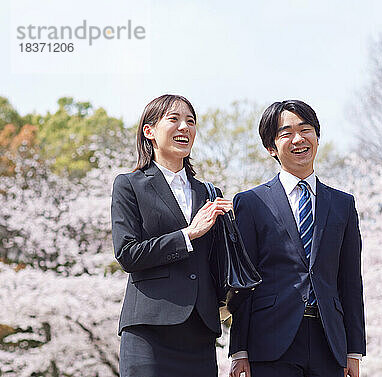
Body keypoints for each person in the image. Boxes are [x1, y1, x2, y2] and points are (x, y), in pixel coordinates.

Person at [229, 100, 366, 377]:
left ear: (317, 136)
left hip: (329, 341)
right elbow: (244, 281)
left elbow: (350, 279)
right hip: (269, 340)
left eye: (306, 130)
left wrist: (353, 349)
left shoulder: (343, 204)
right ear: (271, 147)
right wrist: (239, 349)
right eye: (286, 133)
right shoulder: (251, 202)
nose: (299, 139)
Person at [111, 94, 233, 377]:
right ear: (149, 131)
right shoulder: (130, 185)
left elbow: (217, 263)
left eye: (190, 121)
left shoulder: (209, 194)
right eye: (174, 119)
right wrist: (187, 235)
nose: (184, 127)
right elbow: (128, 253)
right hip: (149, 333)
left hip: (200, 332)